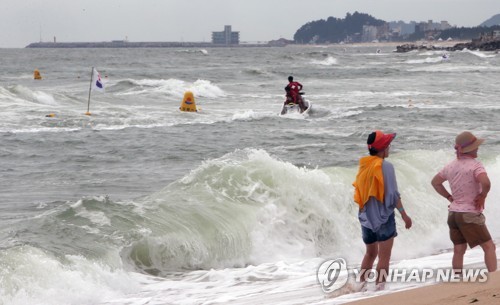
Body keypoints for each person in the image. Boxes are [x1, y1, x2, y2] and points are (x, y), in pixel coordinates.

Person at [353, 130, 412, 289]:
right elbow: (393, 195)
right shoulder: (386, 166)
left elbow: (360, 193)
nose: (390, 147)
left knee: (370, 254)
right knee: (384, 257)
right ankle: (379, 289)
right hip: (384, 219)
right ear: (383, 148)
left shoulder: (364, 165)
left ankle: (360, 287)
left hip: (366, 219)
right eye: (388, 145)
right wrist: (404, 215)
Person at [431, 131, 497, 273]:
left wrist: (449, 197)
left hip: (453, 214)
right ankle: (494, 279)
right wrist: (483, 195)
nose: (478, 148)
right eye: (476, 146)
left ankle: (457, 278)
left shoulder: (450, 166)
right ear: (471, 149)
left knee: (459, 250)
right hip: (469, 214)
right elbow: (486, 182)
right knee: (489, 247)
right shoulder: (475, 165)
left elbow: (435, 182)